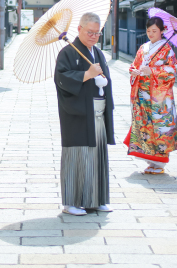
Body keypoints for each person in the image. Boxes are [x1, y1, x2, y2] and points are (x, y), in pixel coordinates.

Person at [54, 12, 115, 216]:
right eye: (90, 32)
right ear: (79, 29)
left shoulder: (97, 53)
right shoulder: (68, 53)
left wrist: (103, 81)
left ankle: (96, 200)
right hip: (78, 115)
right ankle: (71, 202)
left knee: (97, 158)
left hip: (98, 114)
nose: (94, 36)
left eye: (97, 33)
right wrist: (86, 75)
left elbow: (103, 77)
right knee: (77, 157)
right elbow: (61, 79)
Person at [124, 16, 177, 174]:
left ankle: (160, 163)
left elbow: (172, 70)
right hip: (143, 93)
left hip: (159, 97)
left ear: (162, 31)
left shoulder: (167, 49)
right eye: (148, 31)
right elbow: (134, 64)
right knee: (145, 127)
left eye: (154, 31)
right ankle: (150, 160)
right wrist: (134, 71)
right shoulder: (143, 48)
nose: (150, 34)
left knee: (160, 127)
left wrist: (154, 71)